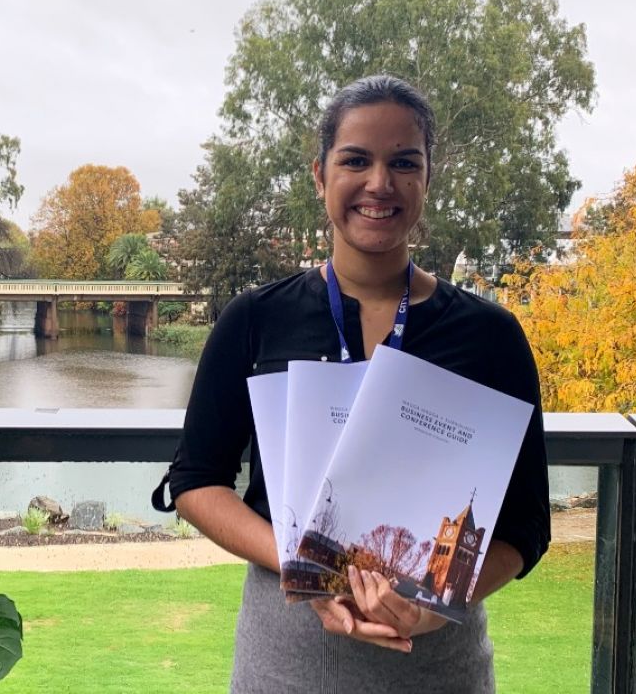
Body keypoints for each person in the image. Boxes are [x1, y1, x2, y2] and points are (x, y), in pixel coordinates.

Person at [153, 74, 550, 693]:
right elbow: (196, 481)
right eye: (356, 160)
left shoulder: (491, 336)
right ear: (320, 176)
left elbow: (525, 525)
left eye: (403, 163)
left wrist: (435, 600)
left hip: (437, 663)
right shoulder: (256, 319)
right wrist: (302, 563)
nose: (379, 183)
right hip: (285, 660)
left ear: (427, 178)